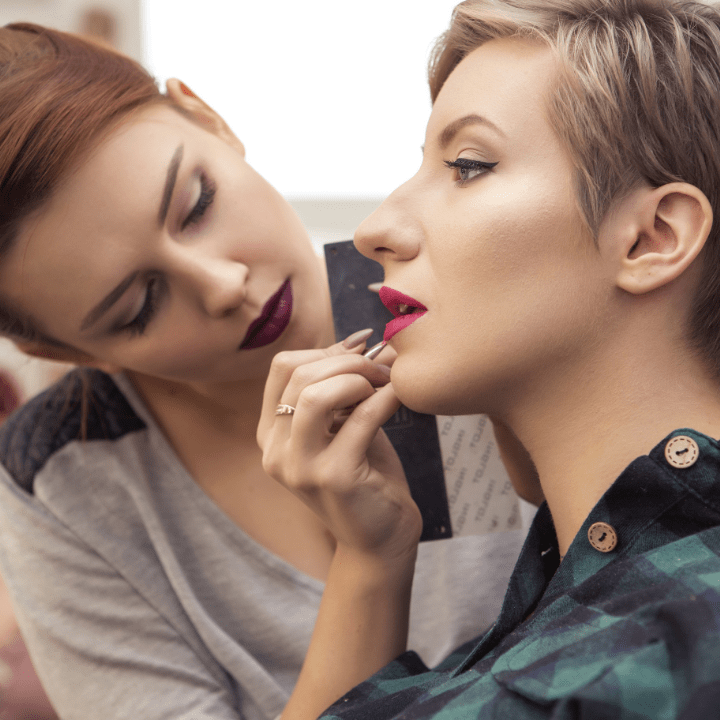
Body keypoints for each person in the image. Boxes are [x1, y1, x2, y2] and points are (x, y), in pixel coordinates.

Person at [0, 22, 527, 720]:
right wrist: (370, 565)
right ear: (73, 354)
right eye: (139, 305)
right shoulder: (62, 480)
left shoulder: (467, 283)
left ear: (206, 116)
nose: (222, 285)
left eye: (198, 204)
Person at [256, 0, 720, 717]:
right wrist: (372, 554)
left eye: (468, 166)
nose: (375, 230)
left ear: (652, 238)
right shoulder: (585, 613)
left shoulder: (623, 669)